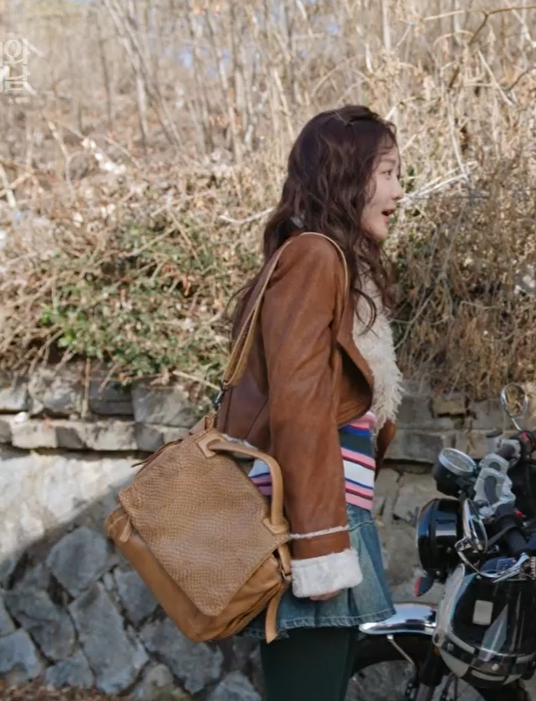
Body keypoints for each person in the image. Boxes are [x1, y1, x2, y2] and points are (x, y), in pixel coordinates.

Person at [216, 105, 406, 701]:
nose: (398, 192)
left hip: (329, 513)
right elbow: (297, 404)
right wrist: (319, 546)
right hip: (312, 522)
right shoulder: (314, 256)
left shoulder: (333, 263)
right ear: (345, 176)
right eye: (388, 173)